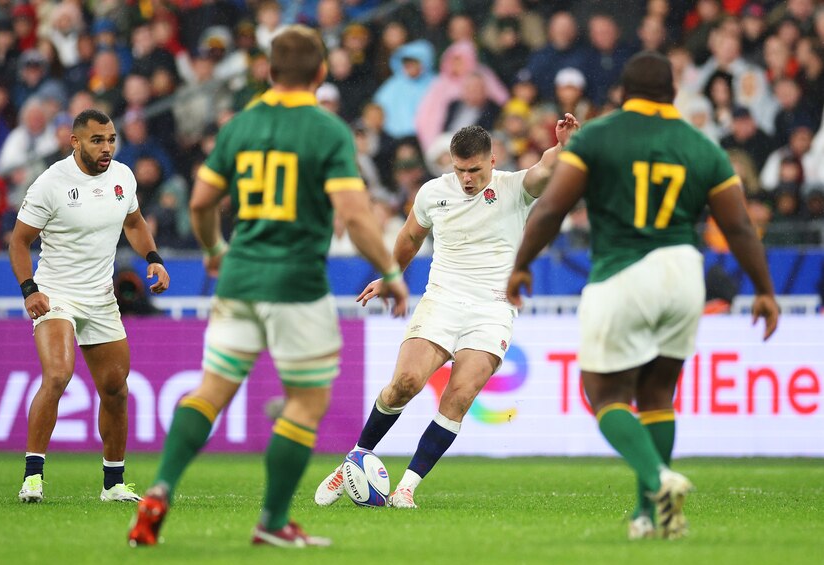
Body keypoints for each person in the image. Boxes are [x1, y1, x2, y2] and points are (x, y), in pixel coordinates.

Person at [127, 25, 408, 549]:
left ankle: (160, 487)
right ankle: (273, 521)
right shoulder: (327, 131)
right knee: (305, 402)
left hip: (238, 278)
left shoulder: (239, 126)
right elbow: (354, 213)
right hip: (296, 282)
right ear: (321, 72)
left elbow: (200, 203)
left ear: (269, 71)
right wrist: (390, 275)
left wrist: (214, 250)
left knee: (211, 390)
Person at [505, 52, 780, 540]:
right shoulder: (701, 146)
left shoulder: (597, 137)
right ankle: (648, 517)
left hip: (623, 273)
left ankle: (657, 480)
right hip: (683, 274)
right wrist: (764, 290)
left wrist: (522, 264)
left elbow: (551, 208)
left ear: (623, 94)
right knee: (657, 394)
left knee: (604, 393)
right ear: (672, 93)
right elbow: (737, 224)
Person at [314, 115, 580, 509]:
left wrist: (564, 147)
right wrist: (390, 276)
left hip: (493, 308)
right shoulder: (432, 193)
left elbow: (545, 169)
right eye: (459, 170)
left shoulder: (514, 188)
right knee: (405, 382)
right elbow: (409, 236)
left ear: (492, 161)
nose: (467, 178)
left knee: (458, 396)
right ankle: (354, 459)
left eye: (474, 170)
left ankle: (406, 488)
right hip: (442, 298)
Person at [9, 109, 171, 504]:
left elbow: (133, 222)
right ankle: (33, 477)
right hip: (56, 292)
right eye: (97, 140)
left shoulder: (123, 177)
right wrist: (30, 289)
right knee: (59, 374)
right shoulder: (51, 183)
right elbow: (19, 242)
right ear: (75, 142)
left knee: (116, 389)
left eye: (111, 139)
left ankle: (113, 483)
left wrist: (153, 257)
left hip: (100, 295)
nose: (107, 148)